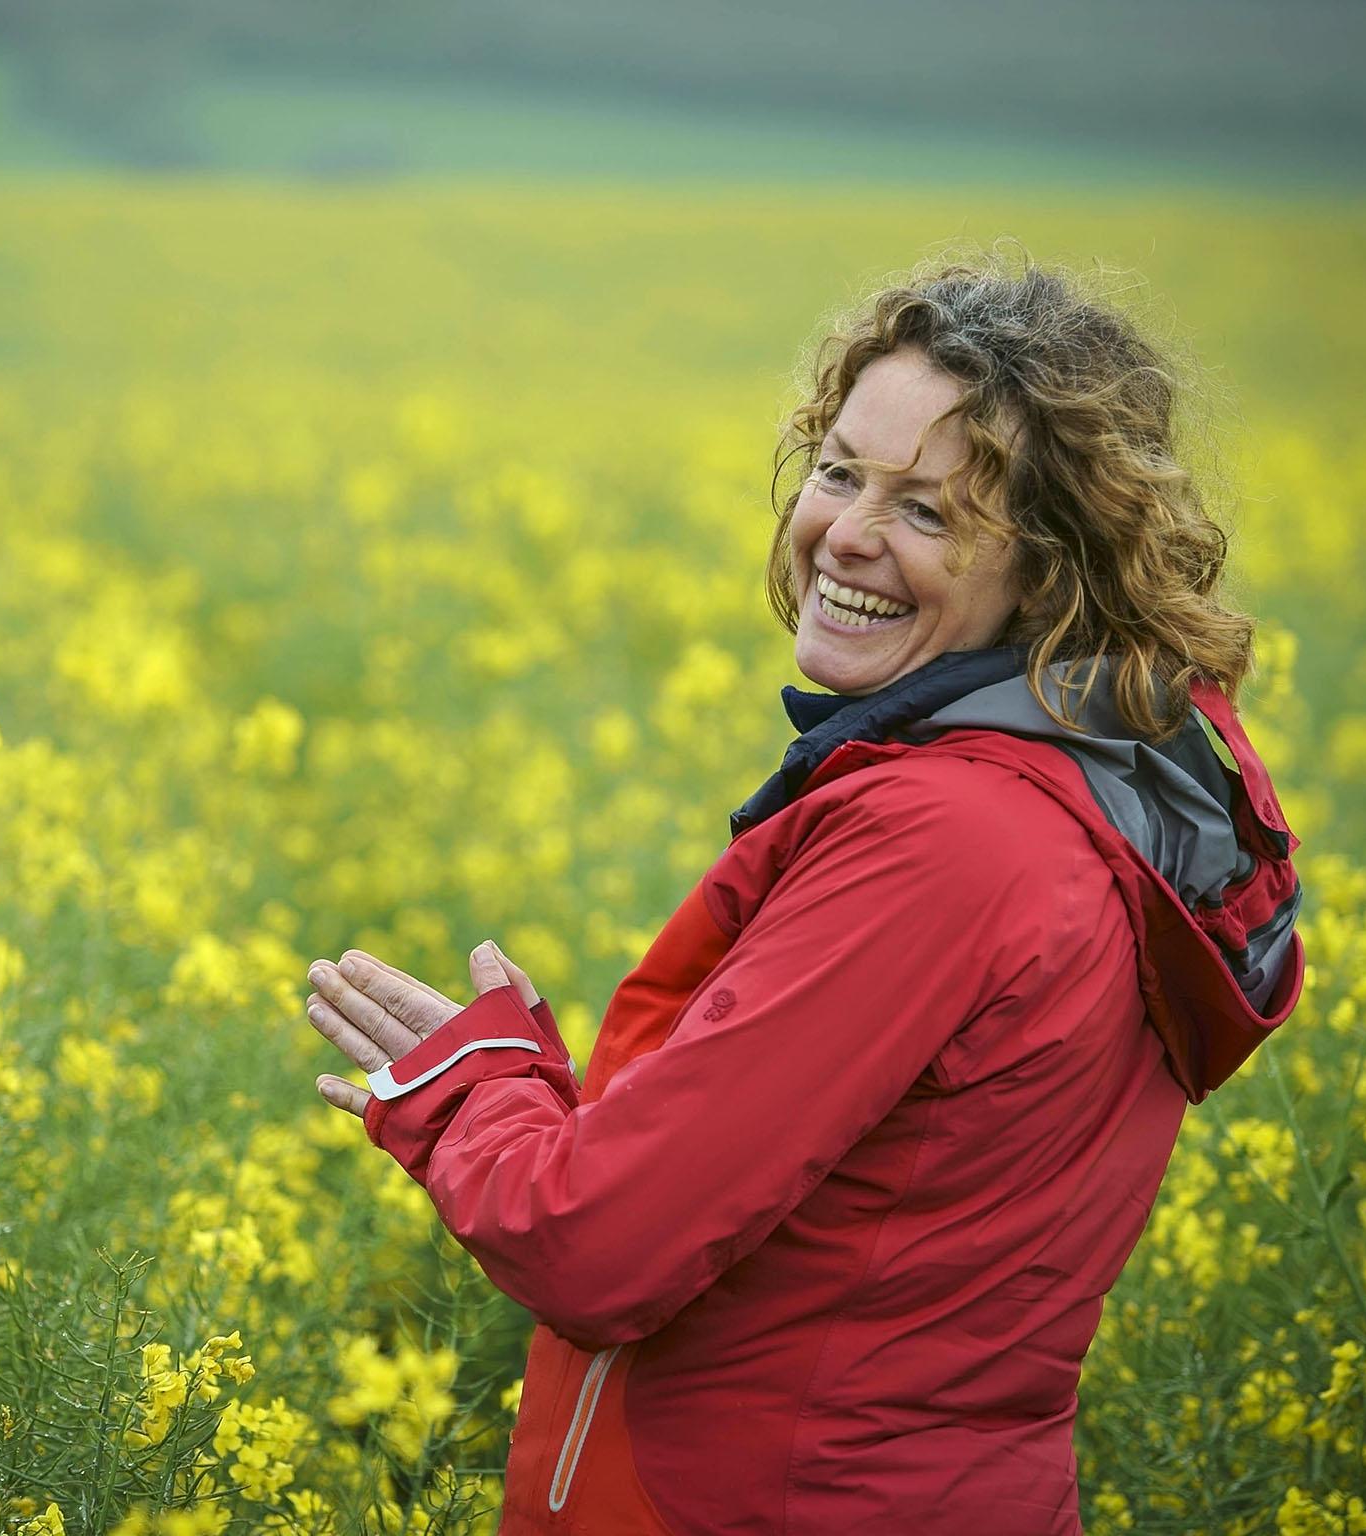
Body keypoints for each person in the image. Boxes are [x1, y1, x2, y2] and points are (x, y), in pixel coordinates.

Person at [303, 249, 1305, 1535]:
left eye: (929, 512)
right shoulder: (1074, 795)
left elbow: (596, 1250)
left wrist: (473, 1101)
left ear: (1047, 573)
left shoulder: (948, 843)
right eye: (839, 472)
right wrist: (551, 1114)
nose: (846, 533)